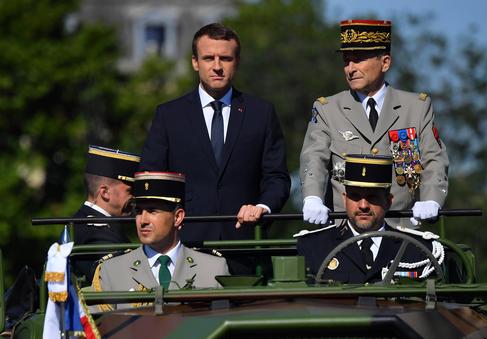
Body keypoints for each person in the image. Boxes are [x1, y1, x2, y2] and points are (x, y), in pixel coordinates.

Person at [139, 23, 291, 273]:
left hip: (244, 248)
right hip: (185, 246)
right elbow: (152, 177)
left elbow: (277, 178)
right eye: (209, 58)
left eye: (225, 58)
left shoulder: (260, 113)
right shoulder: (169, 115)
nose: (217, 66)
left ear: (237, 62)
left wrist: (262, 207)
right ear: (195, 62)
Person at [300, 19, 448, 227]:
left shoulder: (416, 107)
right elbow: (314, 157)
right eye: (346, 60)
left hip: (401, 230)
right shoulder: (328, 109)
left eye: (358, 59)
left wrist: (431, 198)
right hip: (346, 232)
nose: (350, 69)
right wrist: (312, 197)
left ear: (385, 62)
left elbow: (434, 158)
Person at [92, 171, 229, 310]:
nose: (143, 220)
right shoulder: (112, 270)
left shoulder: (213, 269)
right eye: (139, 211)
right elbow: (98, 328)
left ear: (177, 217)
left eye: (152, 211)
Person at [297, 154, 443, 284]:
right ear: (345, 199)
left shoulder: (418, 249)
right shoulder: (315, 247)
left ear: (388, 201)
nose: (363, 205)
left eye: (372, 197)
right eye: (355, 197)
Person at [72, 145, 140, 283]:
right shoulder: (96, 234)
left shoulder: (86, 222)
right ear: (105, 192)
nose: (134, 198)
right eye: (129, 191)